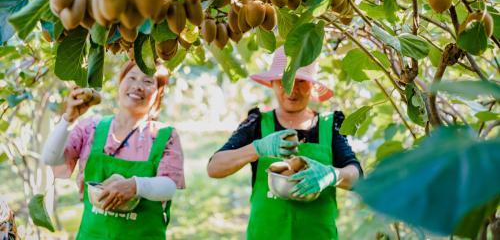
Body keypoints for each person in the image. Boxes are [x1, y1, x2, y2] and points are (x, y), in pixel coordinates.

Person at [207, 46, 362, 240]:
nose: (291, 89)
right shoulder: (256, 123)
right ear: (272, 83)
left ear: (312, 86)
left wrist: (332, 175)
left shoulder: (330, 125)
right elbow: (214, 167)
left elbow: (357, 177)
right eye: (284, 80)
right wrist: (257, 148)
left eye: (301, 81)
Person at [42, 60, 185, 240]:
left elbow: (169, 186)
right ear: (120, 83)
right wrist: (68, 119)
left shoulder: (164, 135)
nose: (137, 86)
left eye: (147, 81)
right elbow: (50, 158)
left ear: (158, 93)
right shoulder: (91, 128)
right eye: (131, 77)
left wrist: (135, 186)